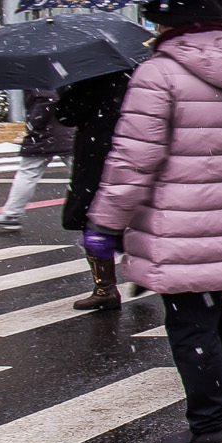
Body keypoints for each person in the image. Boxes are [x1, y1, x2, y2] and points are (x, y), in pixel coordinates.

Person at [86, 0, 222, 443]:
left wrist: (107, 223)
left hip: (179, 218)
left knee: (189, 320)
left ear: (172, 23)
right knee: (205, 301)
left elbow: (135, 158)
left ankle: (211, 421)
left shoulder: (159, 72)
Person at [56, 69, 133, 310]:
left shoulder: (89, 79)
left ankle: (105, 287)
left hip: (97, 156)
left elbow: (67, 115)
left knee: (95, 220)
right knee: (136, 217)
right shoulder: (136, 75)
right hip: (132, 151)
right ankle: (142, 272)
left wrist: (69, 88)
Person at [0, 89, 73, 232]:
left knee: (27, 174)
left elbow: (46, 101)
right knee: (83, 175)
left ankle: (11, 215)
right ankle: (104, 213)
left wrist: (34, 124)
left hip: (45, 135)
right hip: (65, 133)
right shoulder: (57, 72)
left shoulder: (38, 77)